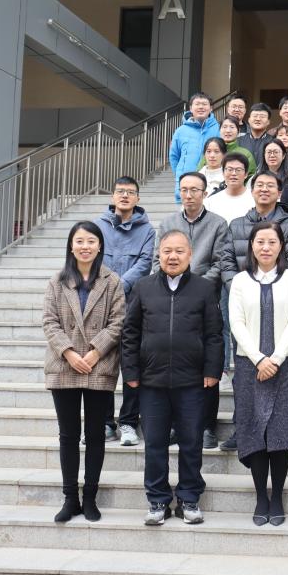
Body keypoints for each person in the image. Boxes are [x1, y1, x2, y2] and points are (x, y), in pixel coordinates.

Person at [121, 230, 224, 527]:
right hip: (151, 382)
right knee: (154, 444)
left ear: (190, 255)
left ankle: (189, 498)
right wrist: (131, 372)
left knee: (191, 442)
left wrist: (212, 371)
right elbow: (130, 332)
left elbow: (214, 334)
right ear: (159, 254)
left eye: (179, 251)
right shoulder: (143, 287)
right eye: (167, 251)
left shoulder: (204, 289)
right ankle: (157, 500)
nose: (173, 257)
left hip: (192, 382)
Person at [42, 221, 126, 523]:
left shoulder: (112, 281)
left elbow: (118, 322)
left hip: (98, 365)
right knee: (68, 435)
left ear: (100, 245)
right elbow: (49, 321)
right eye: (80, 241)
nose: (85, 246)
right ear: (71, 245)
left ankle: (90, 497)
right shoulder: (57, 281)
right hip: (64, 365)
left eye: (91, 241)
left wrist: (93, 352)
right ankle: (70, 498)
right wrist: (69, 352)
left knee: (95, 434)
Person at [218, 171, 288, 452]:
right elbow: (226, 260)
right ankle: (241, 428)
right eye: (259, 185)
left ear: (279, 192)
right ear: (251, 191)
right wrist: (241, 287)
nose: (264, 189)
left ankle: (276, 436)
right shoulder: (237, 224)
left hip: (278, 292)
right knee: (243, 375)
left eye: (270, 185)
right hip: (245, 298)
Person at [228, 221, 288, 527]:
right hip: (250, 365)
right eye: (260, 241)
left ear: (281, 246)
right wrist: (260, 359)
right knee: (254, 431)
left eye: (272, 242)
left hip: (285, 365)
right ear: (252, 245)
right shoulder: (240, 281)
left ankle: (278, 497)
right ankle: (261, 496)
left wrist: (275, 358)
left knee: (280, 431)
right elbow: (236, 323)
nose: (265, 247)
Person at [155, 173, 229, 450]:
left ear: (205, 193)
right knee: (175, 362)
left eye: (194, 190)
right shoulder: (168, 224)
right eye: (184, 189)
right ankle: (176, 425)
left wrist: (195, 287)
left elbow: (220, 263)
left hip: (204, 299)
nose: (189, 194)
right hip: (170, 301)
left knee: (206, 361)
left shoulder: (218, 224)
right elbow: (157, 261)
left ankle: (207, 426)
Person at [94, 176, 155, 445]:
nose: (125, 196)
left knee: (132, 365)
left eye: (130, 192)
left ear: (138, 198)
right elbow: (91, 258)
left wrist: (117, 285)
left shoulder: (147, 230)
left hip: (133, 305)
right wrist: (107, 286)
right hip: (101, 305)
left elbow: (145, 263)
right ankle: (105, 423)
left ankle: (129, 422)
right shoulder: (97, 226)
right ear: (112, 196)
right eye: (120, 191)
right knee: (103, 365)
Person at [169, 92, 220, 202]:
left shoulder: (219, 129)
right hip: (186, 186)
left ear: (211, 108)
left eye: (204, 104)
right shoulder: (180, 131)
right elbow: (174, 157)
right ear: (191, 108)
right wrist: (180, 175)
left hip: (212, 185)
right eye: (197, 104)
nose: (201, 107)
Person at [205, 153, 255, 225]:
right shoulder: (210, 202)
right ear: (223, 173)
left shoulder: (255, 199)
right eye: (229, 169)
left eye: (238, 170)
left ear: (246, 174)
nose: (233, 173)